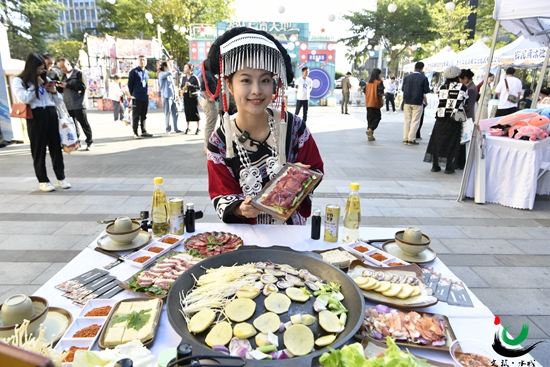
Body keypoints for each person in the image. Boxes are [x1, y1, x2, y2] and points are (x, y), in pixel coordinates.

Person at [205, 27, 324, 225]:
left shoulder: (294, 128)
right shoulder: (219, 142)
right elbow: (221, 193)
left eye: (265, 80)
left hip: (291, 234)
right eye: (245, 80)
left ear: (275, 85)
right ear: (230, 85)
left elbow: (316, 170)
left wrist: (300, 179)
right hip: (246, 238)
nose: (257, 90)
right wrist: (240, 208)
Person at [13, 53, 71, 191]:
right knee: (38, 149)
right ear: (31, 68)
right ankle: (43, 180)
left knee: (55, 147)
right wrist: (36, 86)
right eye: (38, 69)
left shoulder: (47, 78)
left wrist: (54, 91)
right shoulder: (20, 81)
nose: (41, 71)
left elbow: (58, 101)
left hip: (50, 113)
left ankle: (61, 177)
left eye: (42, 69)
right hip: (36, 115)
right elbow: (24, 98)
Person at [424, 66, 468, 174]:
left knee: (438, 139)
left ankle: (435, 165)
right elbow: (465, 101)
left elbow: (441, 99)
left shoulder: (443, 87)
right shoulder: (462, 87)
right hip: (456, 117)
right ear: (457, 75)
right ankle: (449, 166)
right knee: (453, 141)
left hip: (441, 116)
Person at [57, 57, 94, 150]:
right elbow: (62, 90)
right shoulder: (64, 76)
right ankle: (76, 142)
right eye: (60, 68)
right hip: (68, 104)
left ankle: (89, 142)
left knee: (84, 123)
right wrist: (58, 85)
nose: (62, 69)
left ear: (68, 64)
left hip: (79, 104)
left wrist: (68, 85)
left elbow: (83, 86)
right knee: (73, 125)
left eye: (63, 67)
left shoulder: (79, 73)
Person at [402, 62, 430, 145]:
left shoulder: (407, 77)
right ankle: (411, 138)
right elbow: (426, 90)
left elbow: (403, 88)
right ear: (422, 68)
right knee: (415, 120)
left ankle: (405, 138)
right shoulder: (423, 78)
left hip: (407, 101)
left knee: (407, 120)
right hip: (417, 101)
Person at [457, 69, 477, 170]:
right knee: (461, 141)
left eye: (460, 79)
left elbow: (468, 106)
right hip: (465, 116)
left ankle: (460, 162)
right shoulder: (469, 87)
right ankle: (459, 161)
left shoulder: (471, 89)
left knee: (462, 141)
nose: (460, 82)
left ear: (465, 78)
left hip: (466, 117)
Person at [128, 55, 153, 139]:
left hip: (144, 96)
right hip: (137, 96)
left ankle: (144, 130)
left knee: (144, 114)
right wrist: (133, 94)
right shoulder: (134, 72)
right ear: (138, 61)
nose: (142, 61)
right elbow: (130, 85)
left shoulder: (146, 72)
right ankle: (135, 132)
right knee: (136, 115)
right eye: (141, 60)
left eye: (144, 60)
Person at [158, 61, 180, 134]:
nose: (170, 67)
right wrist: (171, 70)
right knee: (167, 113)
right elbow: (168, 73)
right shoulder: (161, 74)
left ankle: (176, 128)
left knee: (175, 112)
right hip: (166, 96)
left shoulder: (170, 75)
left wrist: (176, 96)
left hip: (173, 96)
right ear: (165, 67)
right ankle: (168, 129)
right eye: (168, 66)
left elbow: (173, 86)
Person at [200, 68, 219, 153]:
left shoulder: (210, 73)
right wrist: (208, 98)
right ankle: (207, 148)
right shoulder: (206, 73)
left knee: (212, 125)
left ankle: (209, 147)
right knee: (210, 125)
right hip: (210, 102)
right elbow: (203, 86)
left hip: (211, 101)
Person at [181, 62, 201, 135]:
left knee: (195, 111)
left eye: (186, 67)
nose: (185, 69)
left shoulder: (194, 77)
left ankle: (198, 127)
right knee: (187, 111)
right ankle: (188, 127)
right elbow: (181, 87)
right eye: (184, 67)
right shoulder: (183, 78)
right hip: (186, 96)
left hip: (193, 96)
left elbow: (198, 87)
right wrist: (184, 87)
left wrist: (190, 85)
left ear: (190, 69)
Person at [365, 68, 384, 141]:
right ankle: (370, 130)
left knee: (370, 119)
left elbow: (364, 91)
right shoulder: (379, 82)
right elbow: (380, 92)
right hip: (375, 103)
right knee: (377, 118)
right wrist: (384, 94)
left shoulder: (368, 83)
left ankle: (370, 135)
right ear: (378, 74)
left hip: (368, 103)